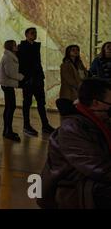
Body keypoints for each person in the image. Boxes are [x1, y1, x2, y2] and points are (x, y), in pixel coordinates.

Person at [38, 78, 111, 209]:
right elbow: (98, 168)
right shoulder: (72, 128)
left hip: (86, 183)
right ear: (95, 103)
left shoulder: (98, 120)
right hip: (71, 191)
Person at [17, 28, 55, 137]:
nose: (34, 35)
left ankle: (45, 124)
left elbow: (37, 63)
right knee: (27, 103)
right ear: (26, 34)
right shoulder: (22, 47)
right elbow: (22, 64)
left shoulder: (35, 46)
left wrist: (40, 77)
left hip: (37, 79)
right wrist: (25, 79)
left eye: (35, 33)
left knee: (41, 103)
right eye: (32, 33)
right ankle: (26, 125)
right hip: (28, 80)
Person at [0, 40, 25, 142]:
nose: (16, 46)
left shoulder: (10, 56)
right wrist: (22, 77)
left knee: (9, 107)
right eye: (14, 45)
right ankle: (8, 131)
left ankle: (7, 130)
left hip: (7, 84)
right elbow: (10, 73)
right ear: (10, 47)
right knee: (10, 107)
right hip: (7, 84)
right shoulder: (8, 57)